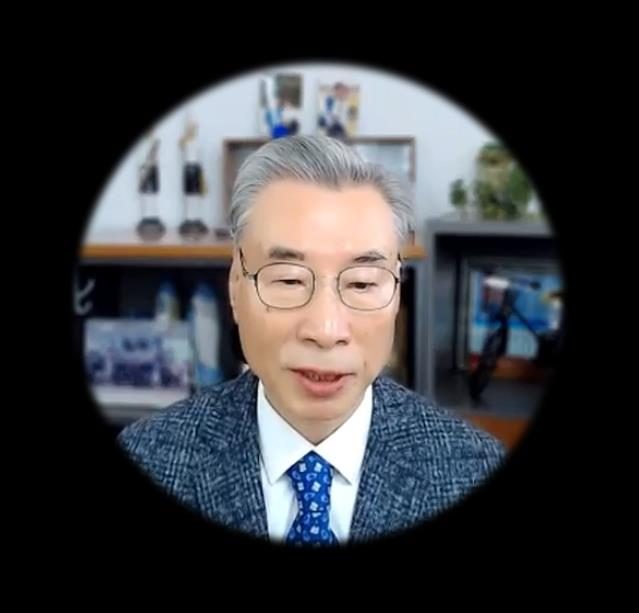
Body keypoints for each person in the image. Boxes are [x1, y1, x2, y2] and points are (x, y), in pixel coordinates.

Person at [117, 134, 505, 547]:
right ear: (235, 285)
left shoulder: (474, 471)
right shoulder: (149, 459)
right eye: (288, 280)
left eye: (361, 283)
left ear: (396, 294)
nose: (325, 330)